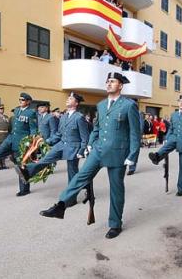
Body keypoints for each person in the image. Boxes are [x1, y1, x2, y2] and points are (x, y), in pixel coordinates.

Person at [39, 72, 141, 239]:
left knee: (116, 189)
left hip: (118, 153)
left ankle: (115, 224)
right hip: (98, 150)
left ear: (120, 85)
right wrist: (90, 144)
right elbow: (97, 128)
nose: (108, 84)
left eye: (112, 81)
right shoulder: (100, 105)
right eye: (107, 81)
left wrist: (132, 155)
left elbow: (135, 133)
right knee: (80, 176)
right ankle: (61, 205)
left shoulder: (129, 105)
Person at [14, 92, 90, 193]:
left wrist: (81, 150)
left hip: (73, 147)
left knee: (72, 172)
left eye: (71, 99)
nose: (68, 100)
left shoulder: (79, 117)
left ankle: (72, 195)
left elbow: (85, 136)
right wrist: (46, 141)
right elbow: (59, 133)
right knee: (46, 159)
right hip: (61, 144)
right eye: (68, 98)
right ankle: (26, 171)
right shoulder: (63, 116)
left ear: (76, 103)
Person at [148, 95, 182, 196]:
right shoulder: (174, 115)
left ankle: (181, 188)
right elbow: (171, 129)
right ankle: (156, 157)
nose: (181, 103)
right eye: (179, 101)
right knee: (166, 147)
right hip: (173, 138)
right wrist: (166, 138)